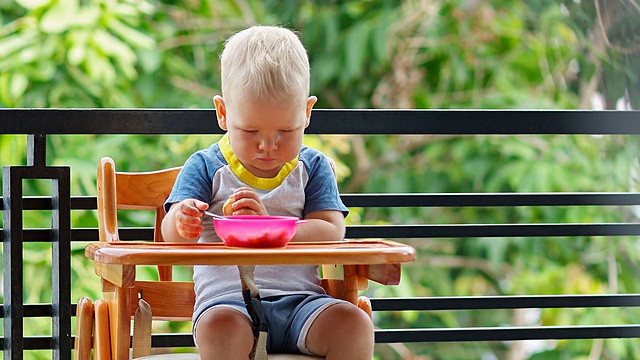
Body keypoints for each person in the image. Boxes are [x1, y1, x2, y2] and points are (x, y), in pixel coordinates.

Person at [161, 25, 374, 360]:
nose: (268, 145)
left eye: (286, 131)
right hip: (227, 304)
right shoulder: (205, 166)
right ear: (223, 113)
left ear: (306, 113)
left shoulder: (312, 167)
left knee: (355, 325)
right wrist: (182, 221)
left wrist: (270, 229)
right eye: (250, 130)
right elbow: (172, 238)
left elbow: (332, 231)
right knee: (219, 331)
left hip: (304, 303)